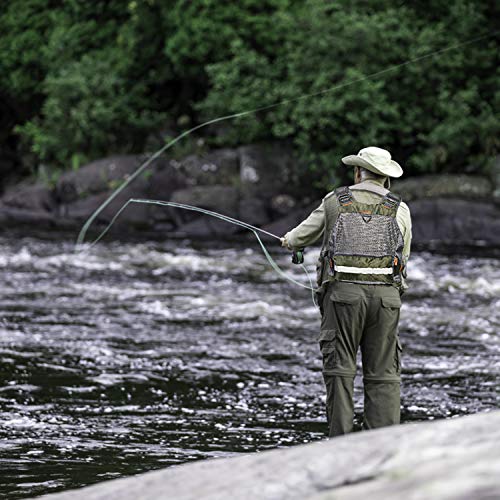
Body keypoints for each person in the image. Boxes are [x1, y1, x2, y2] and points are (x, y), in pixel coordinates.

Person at [281, 146, 412, 437]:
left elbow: (301, 235)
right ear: (386, 179)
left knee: (340, 372)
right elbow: (404, 257)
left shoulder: (334, 200)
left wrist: (289, 241)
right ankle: (381, 443)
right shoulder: (400, 208)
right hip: (386, 300)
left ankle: (341, 442)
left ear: (357, 172)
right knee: (383, 375)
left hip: (342, 298)